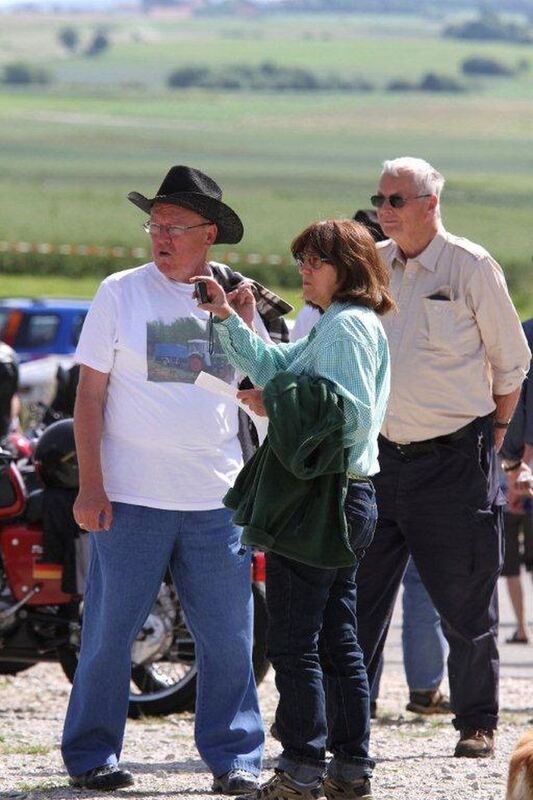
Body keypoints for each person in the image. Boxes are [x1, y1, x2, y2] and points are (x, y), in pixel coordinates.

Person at [61, 165, 291, 793]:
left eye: (173, 227)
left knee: (229, 638)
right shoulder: (120, 292)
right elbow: (90, 395)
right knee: (109, 634)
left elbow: (264, 402)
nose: (159, 237)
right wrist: (90, 485)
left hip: (217, 499)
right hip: (129, 497)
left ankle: (236, 758)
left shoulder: (238, 298)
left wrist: (241, 327)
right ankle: (91, 754)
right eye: (153, 225)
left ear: (208, 233)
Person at [194, 218, 393, 800]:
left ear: (346, 269)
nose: (302, 270)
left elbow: (349, 414)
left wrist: (273, 399)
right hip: (340, 497)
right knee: (336, 639)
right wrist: (229, 319)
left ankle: (302, 769)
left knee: (296, 642)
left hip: (322, 499)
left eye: (313, 261)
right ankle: (350, 768)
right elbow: (280, 369)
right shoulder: (339, 323)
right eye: (301, 259)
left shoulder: (348, 328)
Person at [354, 157, 531, 759]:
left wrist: (498, 433)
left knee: (466, 603)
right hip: (376, 460)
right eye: (379, 198)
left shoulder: (470, 265)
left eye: (395, 199)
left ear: (430, 204)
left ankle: (475, 722)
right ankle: (347, 724)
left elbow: (512, 361)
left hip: (453, 460)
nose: (384, 210)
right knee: (359, 599)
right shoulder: (372, 264)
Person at [500, 317, 533, 644]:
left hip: (511, 467)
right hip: (518, 467)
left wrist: (514, 471)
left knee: (509, 557)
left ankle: (523, 627)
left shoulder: (521, 333)